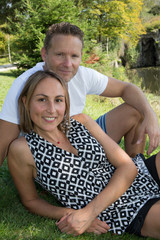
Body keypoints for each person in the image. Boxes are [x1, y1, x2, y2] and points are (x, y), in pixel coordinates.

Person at [8, 70, 160, 239]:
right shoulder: (22, 150)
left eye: (58, 100)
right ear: (26, 101)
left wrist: (87, 214)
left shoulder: (82, 122)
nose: (51, 109)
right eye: (42, 100)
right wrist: (73, 214)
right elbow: (31, 201)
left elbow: (128, 167)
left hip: (139, 176)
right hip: (121, 208)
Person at [1, 22, 160, 167]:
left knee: (135, 111)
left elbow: (127, 88)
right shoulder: (24, 84)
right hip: (48, 154)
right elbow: (4, 141)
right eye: (60, 55)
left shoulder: (83, 75)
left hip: (81, 140)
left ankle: (138, 172)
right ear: (44, 54)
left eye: (74, 56)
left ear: (81, 57)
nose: (68, 64)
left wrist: (150, 114)